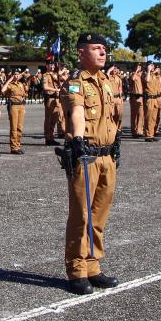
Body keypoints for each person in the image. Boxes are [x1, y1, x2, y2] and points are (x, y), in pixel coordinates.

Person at [59, 33, 120, 295]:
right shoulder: (76, 83)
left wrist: (116, 141)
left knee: (99, 214)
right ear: (82, 53)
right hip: (86, 156)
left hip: (107, 156)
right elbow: (77, 113)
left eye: (104, 49)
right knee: (81, 215)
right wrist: (78, 139)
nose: (103, 53)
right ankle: (76, 271)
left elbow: (113, 116)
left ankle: (93, 266)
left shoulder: (107, 82)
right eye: (96, 49)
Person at [2, 69, 28, 154]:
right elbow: (3, 90)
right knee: (14, 127)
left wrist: (23, 108)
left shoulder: (20, 84)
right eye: (15, 75)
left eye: (17, 75)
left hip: (21, 106)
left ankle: (18, 145)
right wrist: (9, 80)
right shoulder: (10, 85)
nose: (16, 76)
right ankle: (13, 147)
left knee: (19, 127)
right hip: (13, 106)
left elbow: (24, 95)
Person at [42, 62, 63, 145]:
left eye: (54, 65)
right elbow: (45, 87)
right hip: (50, 99)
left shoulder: (56, 75)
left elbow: (61, 82)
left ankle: (52, 137)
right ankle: (48, 138)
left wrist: (61, 74)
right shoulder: (45, 75)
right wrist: (56, 90)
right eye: (51, 65)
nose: (53, 66)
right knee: (49, 120)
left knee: (55, 119)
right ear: (47, 66)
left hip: (57, 99)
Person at [142, 63, 161, 142]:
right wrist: (149, 70)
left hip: (155, 99)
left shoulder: (155, 76)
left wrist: (158, 73)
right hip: (149, 99)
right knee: (148, 118)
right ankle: (148, 135)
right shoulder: (145, 74)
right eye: (151, 65)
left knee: (154, 118)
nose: (152, 67)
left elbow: (160, 84)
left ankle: (152, 134)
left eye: (153, 66)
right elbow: (147, 80)